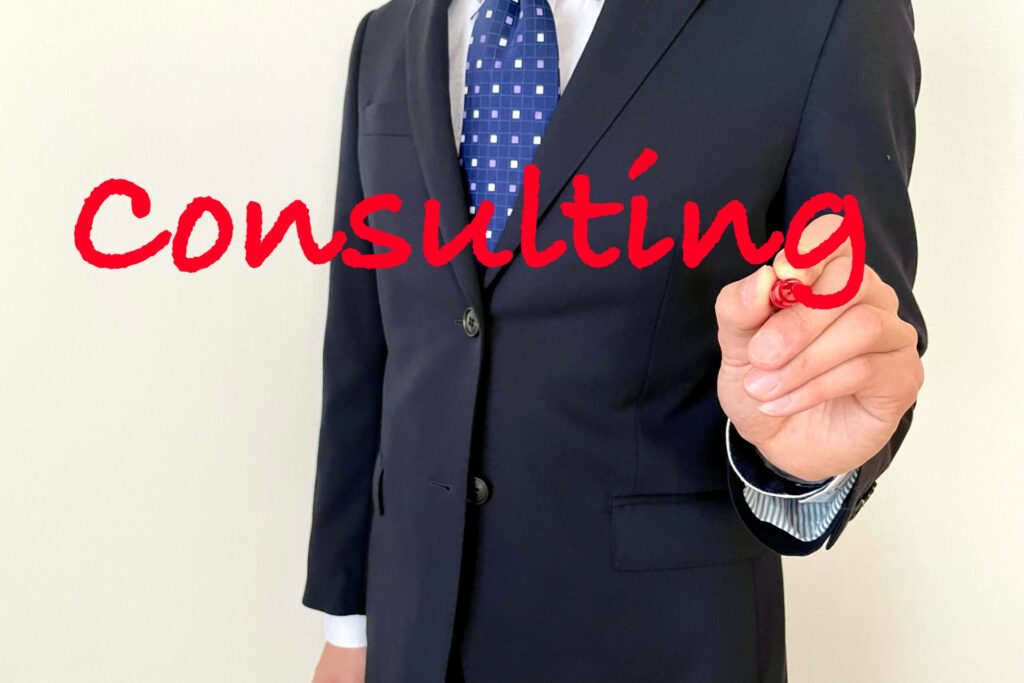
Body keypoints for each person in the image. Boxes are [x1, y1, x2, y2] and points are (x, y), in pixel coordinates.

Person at [304, 0, 926, 681]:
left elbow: (857, 324)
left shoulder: (824, 16)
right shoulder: (386, 36)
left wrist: (798, 467)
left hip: (659, 641)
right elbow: (361, 349)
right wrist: (348, 627)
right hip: (409, 636)